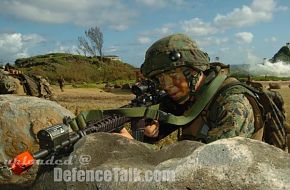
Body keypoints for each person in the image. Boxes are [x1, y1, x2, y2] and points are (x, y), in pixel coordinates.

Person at [119, 33, 262, 144]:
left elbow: (214, 167)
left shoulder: (232, 105)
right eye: (160, 79)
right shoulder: (190, 96)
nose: (166, 85)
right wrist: (152, 133)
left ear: (193, 71)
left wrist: (140, 151)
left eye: (173, 75)